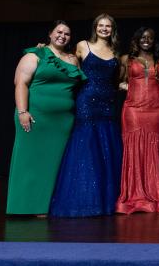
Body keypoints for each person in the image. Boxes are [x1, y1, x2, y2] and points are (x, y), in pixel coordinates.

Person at [7, 20, 85, 215]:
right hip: (35, 117)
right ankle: (22, 206)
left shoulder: (73, 59)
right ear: (50, 34)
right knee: (29, 161)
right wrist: (23, 111)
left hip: (62, 122)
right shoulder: (36, 54)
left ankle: (44, 207)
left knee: (52, 164)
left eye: (67, 34)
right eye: (59, 32)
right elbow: (21, 84)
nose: (62, 36)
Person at [50, 14, 123, 217]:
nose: (104, 29)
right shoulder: (83, 45)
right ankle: (83, 201)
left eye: (108, 26)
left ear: (112, 30)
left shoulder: (116, 52)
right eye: (101, 25)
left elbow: (116, 81)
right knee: (86, 148)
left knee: (106, 148)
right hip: (87, 101)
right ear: (95, 27)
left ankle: (106, 201)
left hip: (108, 103)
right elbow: (68, 63)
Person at [115, 27, 159, 214]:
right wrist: (126, 86)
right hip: (133, 110)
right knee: (134, 150)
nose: (146, 40)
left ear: (154, 41)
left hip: (156, 110)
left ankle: (154, 197)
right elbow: (117, 81)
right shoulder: (126, 59)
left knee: (154, 151)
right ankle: (132, 197)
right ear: (137, 40)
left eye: (150, 38)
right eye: (143, 37)